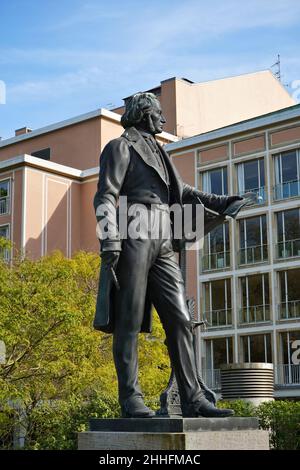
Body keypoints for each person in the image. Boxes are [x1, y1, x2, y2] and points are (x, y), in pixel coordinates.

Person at [93, 92, 240, 418]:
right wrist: (110, 241)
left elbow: (183, 191)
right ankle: (131, 399)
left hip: (164, 237)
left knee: (180, 318)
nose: (163, 119)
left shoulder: (160, 151)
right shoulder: (120, 147)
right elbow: (105, 195)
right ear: (145, 114)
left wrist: (224, 200)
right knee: (128, 319)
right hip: (134, 228)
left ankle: (192, 398)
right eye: (159, 113)